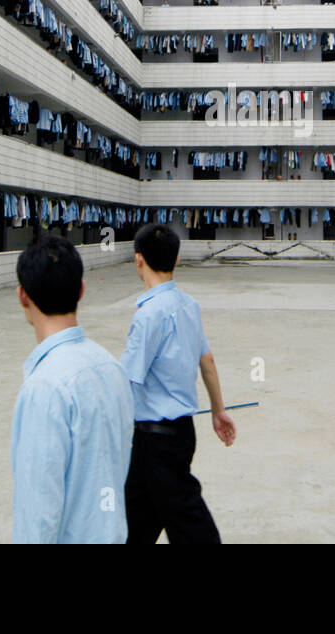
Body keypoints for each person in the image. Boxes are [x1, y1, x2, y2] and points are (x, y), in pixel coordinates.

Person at [10, 236, 133, 543]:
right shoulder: (112, 368)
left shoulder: (43, 388)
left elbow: (38, 515)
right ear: (81, 290)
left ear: (23, 295)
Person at [121, 224, 235, 543]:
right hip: (181, 433)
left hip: (154, 441)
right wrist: (218, 410)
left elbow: (126, 380)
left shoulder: (148, 315)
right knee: (134, 523)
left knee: (192, 527)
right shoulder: (189, 305)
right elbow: (207, 360)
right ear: (177, 260)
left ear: (138, 260)